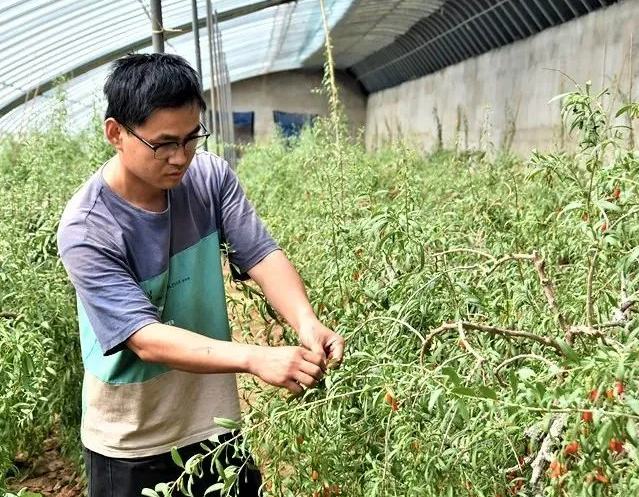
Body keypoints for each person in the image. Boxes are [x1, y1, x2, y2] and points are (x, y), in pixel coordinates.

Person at [56, 53, 345, 497]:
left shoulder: (209, 177)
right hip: (132, 441)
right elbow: (143, 337)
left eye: (191, 138)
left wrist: (305, 321)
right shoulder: (87, 227)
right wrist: (256, 357)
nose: (181, 157)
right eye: (163, 143)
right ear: (115, 133)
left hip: (214, 424)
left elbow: (262, 254)